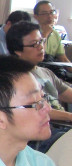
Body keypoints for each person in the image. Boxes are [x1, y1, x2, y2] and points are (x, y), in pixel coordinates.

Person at [6, 21, 72, 151]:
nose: (41, 47)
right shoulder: (16, 77)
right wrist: (69, 116)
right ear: (18, 51)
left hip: (62, 129)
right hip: (40, 136)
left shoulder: (46, 72)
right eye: (34, 44)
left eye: (41, 41)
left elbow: (68, 94)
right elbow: (35, 110)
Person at [34, 0, 72, 71]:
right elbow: (36, 57)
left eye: (51, 12)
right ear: (36, 16)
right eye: (44, 13)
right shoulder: (32, 33)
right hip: (38, 70)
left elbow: (63, 59)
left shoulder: (55, 34)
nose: (49, 16)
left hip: (53, 70)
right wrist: (45, 34)